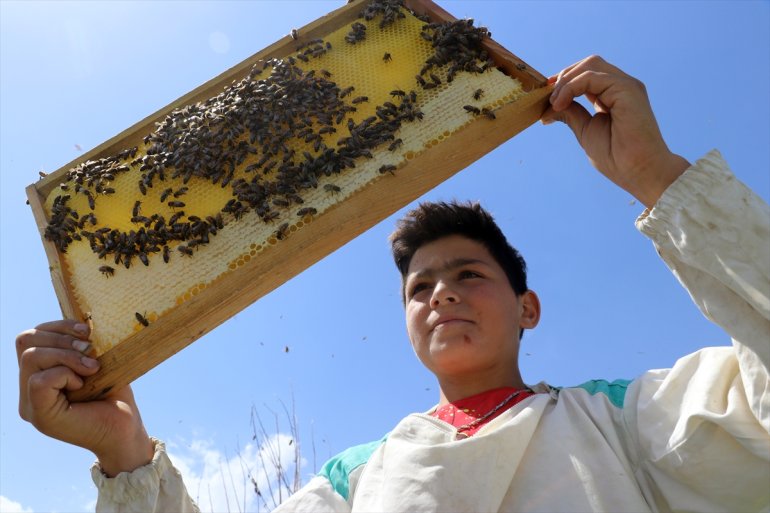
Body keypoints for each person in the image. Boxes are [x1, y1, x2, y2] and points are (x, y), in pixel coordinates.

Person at [16, 55, 769, 512]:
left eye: (468, 274)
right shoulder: (354, 479)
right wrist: (126, 454)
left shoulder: (627, 421)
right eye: (419, 287)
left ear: (527, 307)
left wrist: (657, 178)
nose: (439, 293)